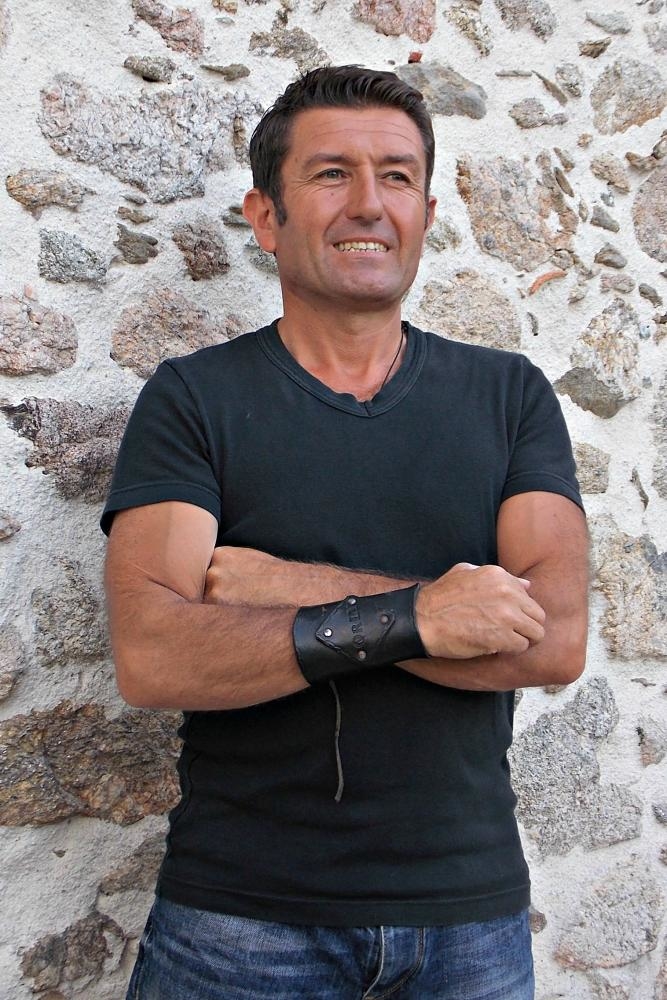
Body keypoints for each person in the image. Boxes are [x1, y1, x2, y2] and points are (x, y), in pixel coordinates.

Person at [102, 65, 589, 1000]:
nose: (369, 203)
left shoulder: (508, 396)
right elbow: (153, 655)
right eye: (331, 174)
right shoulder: (194, 399)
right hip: (240, 924)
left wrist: (285, 585)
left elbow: (551, 638)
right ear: (265, 216)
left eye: (396, 177)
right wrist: (428, 616)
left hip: (467, 925)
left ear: (426, 213)